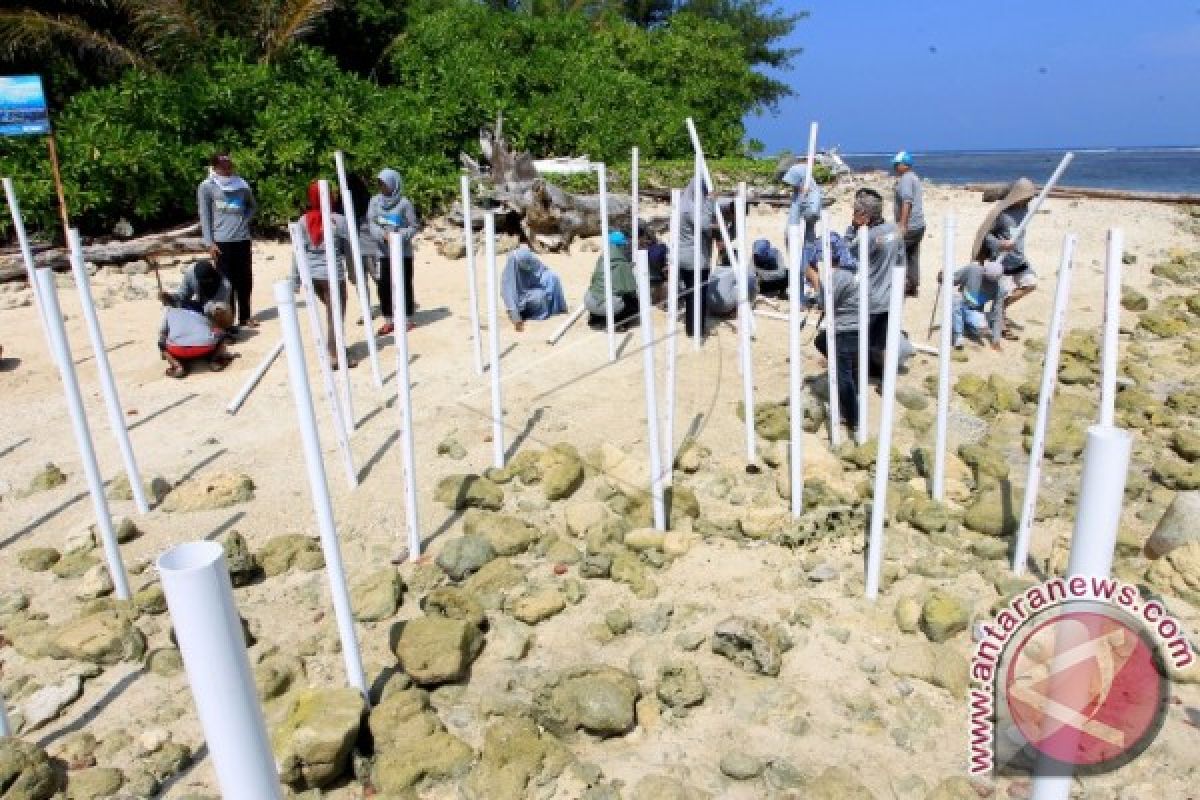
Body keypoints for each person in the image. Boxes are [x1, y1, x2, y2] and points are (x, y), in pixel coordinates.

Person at [296, 181, 356, 368]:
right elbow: (348, 250)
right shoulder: (338, 220)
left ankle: (335, 347)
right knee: (335, 315)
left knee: (332, 313)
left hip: (313, 276)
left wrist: (296, 279)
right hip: (333, 276)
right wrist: (354, 274)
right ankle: (334, 354)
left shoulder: (302, 221)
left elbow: (298, 251)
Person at [843, 189, 903, 374]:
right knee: (883, 342)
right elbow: (901, 262)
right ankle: (887, 379)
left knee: (859, 340)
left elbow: (845, 255)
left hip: (870, 298)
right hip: (890, 296)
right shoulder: (895, 230)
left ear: (864, 215)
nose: (853, 216)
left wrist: (852, 228)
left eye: (855, 213)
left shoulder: (867, 237)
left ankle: (857, 376)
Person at [972, 178, 1039, 337]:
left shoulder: (1025, 210)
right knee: (1002, 293)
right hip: (1002, 262)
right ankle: (1001, 326)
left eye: (1030, 197)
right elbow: (985, 236)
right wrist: (1001, 244)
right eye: (1026, 196)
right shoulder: (1001, 213)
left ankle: (1002, 308)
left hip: (1019, 259)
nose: (1029, 199)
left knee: (1031, 284)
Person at [197, 153, 257, 331]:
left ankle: (245, 317)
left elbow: (252, 206)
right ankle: (228, 321)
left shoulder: (241, 184)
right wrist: (209, 242)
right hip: (221, 241)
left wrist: (244, 219)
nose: (227, 169)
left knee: (245, 279)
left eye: (229, 166)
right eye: (223, 166)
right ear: (214, 167)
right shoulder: (207, 187)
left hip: (242, 238)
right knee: (226, 283)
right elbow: (204, 215)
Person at [811, 245, 862, 434]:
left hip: (845, 329)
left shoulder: (839, 277)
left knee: (843, 375)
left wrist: (817, 283)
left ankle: (852, 417)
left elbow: (825, 303)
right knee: (821, 342)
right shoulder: (855, 272)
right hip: (857, 326)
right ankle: (852, 403)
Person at [365, 168, 420, 335]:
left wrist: (397, 236)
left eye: (386, 184)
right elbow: (371, 223)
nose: (383, 187)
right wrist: (383, 235)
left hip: (403, 253)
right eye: (380, 184)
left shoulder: (405, 203)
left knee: (404, 285)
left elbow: (413, 226)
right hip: (383, 253)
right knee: (383, 287)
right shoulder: (374, 202)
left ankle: (407, 319)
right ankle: (388, 319)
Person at [678, 175, 717, 338]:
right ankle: (696, 330)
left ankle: (692, 328)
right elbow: (704, 225)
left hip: (686, 255)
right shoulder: (690, 208)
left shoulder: (683, 204)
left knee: (691, 294)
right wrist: (710, 202)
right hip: (694, 259)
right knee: (698, 295)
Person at [158, 303, 235, 379]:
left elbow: (162, 332)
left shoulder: (169, 312)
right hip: (204, 346)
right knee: (219, 335)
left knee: (161, 342)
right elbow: (212, 328)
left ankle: (178, 366)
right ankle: (215, 361)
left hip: (177, 348)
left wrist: (164, 354)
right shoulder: (195, 313)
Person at [500, 245, 567, 332]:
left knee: (552, 278)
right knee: (539, 296)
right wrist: (516, 320)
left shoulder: (527, 257)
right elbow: (509, 298)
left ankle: (557, 309)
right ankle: (534, 315)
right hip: (520, 303)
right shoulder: (509, 276)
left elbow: (541, 270)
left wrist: (550, 279)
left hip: (531, 288)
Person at [941, 262, 1006, 350]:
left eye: (991, 281)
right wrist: (943, 277)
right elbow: (953, 280)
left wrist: (996, 340)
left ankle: (966, 327)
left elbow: (997, 313)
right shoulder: (972, 269)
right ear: (983, 270)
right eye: (986, 278)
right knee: (955, 299)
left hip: (974, 312)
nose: (988, 282)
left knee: (981, 330)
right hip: (961, 304)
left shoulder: (999, 290)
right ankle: (958, 337)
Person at [584, 231, 639, 328]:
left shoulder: (602, 259)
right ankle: (618, 323)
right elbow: (631, 289)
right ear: (620, 246)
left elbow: (594, 280)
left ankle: (595, 320)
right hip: (607, 306)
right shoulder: (622, 264)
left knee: (602, 292)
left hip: (589, 301)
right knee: (633, 303)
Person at [892, 151, 926, 297]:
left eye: (897, 164)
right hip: (919, 224)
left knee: (899, 253)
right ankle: (913, 285)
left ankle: (903, 285)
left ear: (904, 165)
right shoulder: (914, 177)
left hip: (910, 225)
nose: (894, 167)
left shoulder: (906, 179)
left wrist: (903, 224)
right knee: (913, 255)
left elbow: (907, 201)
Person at [160, 259, 232, 317]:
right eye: (200, 282)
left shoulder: (225, 286)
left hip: (215, 310)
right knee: (178, 305)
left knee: (219, 316)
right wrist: (171, 298)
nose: (202, 283)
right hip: (200, 307)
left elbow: (216, 308)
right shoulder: (191, 273)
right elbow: (183, 294)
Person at [781, 161, 822, 244]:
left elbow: (812, 215)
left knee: (809, 232)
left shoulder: (813, 192)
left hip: (807, 204)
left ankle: (807, 250)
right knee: (791, 231)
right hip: (800, 200)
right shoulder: (799, 192)